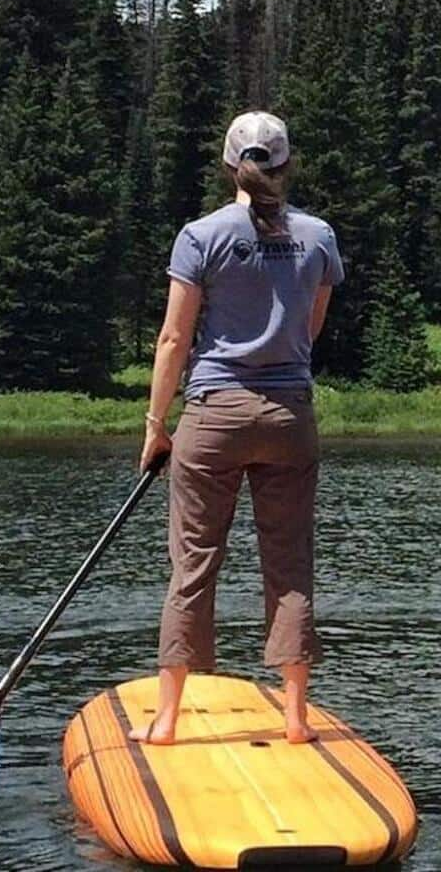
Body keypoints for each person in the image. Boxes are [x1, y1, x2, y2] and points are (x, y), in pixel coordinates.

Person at [133, 111, 344, 745]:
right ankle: (297, 718)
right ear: (287, 165)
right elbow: (310, 325)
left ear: (230, 167)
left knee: (194, 564)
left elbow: (174, 337)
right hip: (289, 417)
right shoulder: (318, 235)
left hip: (213, 414)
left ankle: (168, 721)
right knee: (289, 564)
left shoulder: (200, 236)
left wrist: (155, 425)